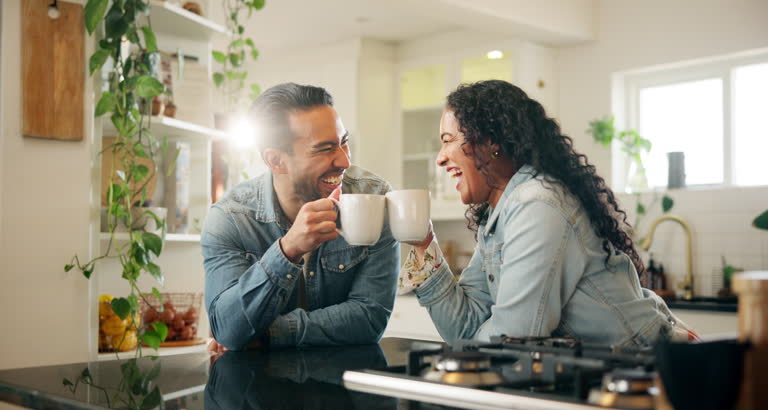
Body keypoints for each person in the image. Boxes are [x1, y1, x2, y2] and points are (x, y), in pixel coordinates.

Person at [400, 80, 696, 346]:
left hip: (657, 367)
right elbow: (464, 328)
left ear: (491, 142)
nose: (440, 158)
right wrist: (424, 246)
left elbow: (513, 339)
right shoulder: (500, 216)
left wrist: (468, 351)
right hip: (612, 372)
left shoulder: (537, 204)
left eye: (448, 140)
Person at [202, 83, 400, 350]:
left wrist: (269, 334)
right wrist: (287, 251)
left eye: (344, 142)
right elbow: (227, 328)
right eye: (325, 148)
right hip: (258, 388)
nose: (344, 161)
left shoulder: (374, 199)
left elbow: (370, 318)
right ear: (275, 161)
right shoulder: (230, 218)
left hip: (343, 384)